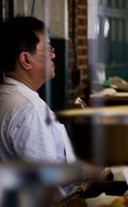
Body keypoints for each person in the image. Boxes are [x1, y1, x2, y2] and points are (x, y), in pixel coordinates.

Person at [0, 15, 99, 196]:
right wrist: (86, 171)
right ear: (26, 59)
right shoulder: (30, 110)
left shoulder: (7, 96)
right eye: (47, 49)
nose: (54, 54)